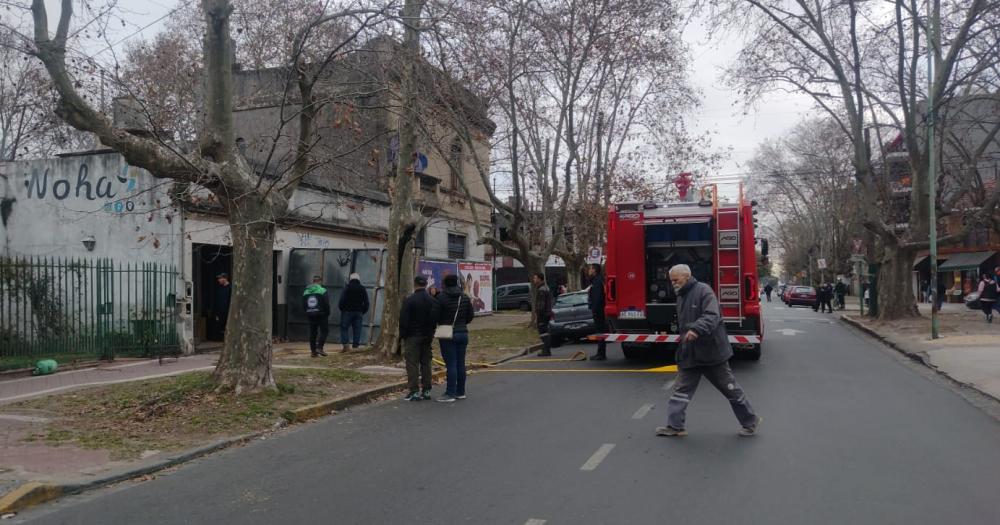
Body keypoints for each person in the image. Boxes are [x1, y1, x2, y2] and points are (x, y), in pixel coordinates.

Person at [656, 264, 761, 438]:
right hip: (691, 352)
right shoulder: (681, 295)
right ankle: (675, 427)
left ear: (687, 277)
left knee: (730, 389)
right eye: (672, 280)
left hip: (712, 353)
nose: (673, 283)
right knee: (681, 390)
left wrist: (696, 329)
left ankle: (750, 421)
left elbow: (712, 315)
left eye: (676, 279)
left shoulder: (704, 291)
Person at [434, 274, 476, 402]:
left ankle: (450, 393)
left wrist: (441, 322)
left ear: (445, 284)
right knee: (460, 363)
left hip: (448, 334)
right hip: (463, 333)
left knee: (451, 364)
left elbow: (434, 315)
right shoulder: (464, 297)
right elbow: (470, 315)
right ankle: (460, 391)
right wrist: (462, 323)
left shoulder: (441, 297)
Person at [400, 275, 440, 401]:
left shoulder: (409, 300)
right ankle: (427, 390)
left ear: (415, 284)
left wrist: (403, 335)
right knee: (426, 363)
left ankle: (414, 391)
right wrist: (432, 332)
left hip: (412, 336)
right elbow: (435, 318)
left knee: (412, 363)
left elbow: (404, 320)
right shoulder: (432, 300)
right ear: (426, 284)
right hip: (427, 335)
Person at [338, 273, 369, 352]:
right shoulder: (362, 288)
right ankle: (355, 346)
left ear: (350, 279)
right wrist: (362, 311)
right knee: (357, 329)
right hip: (358, 312)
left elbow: (341, 300)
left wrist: (342, 309)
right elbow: (366, 302)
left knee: (344, 328)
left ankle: (346, 346)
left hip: (347, 311)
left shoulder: (347, 288)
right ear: (359, 279)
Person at [302, 276, 330, 357]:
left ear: (313, 281)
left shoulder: (306, 291)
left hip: (311, 315)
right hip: (322, 314)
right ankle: (320, 347)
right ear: (320, 282)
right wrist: (327, 313)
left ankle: (313, 352)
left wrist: (307, 312)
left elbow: (304, 305)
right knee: (325, 331)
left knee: (313, 333)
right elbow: (326, 303)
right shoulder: (322, 290)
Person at [587, 264, 607, 361]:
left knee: (600, 331)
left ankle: (601, 353)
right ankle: (601, 353)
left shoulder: (597, 281)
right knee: (600, 331)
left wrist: (594, 309)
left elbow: (597, 297)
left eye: (590, 268)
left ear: (594, 270)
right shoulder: (598, 280)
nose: (588, 270)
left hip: (598, 310)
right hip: (599, 309)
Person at [533, 273, 555, 357]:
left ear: (539, 279)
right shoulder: (546, 288)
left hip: (543, 314)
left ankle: (546, 350)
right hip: (547, 313)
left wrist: (538, 314)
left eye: (535, 278)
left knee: (543, 332)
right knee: (545, 332)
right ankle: (547, 350)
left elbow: (541, 304)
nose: (534, 280)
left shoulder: (541, 290)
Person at [213, 273, 232, 340]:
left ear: (225, 278)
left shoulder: (230, 288)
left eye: (220, 278)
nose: (219, 280)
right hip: (220, 312)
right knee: (219, 326)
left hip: (227, 311)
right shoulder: (219, 289)